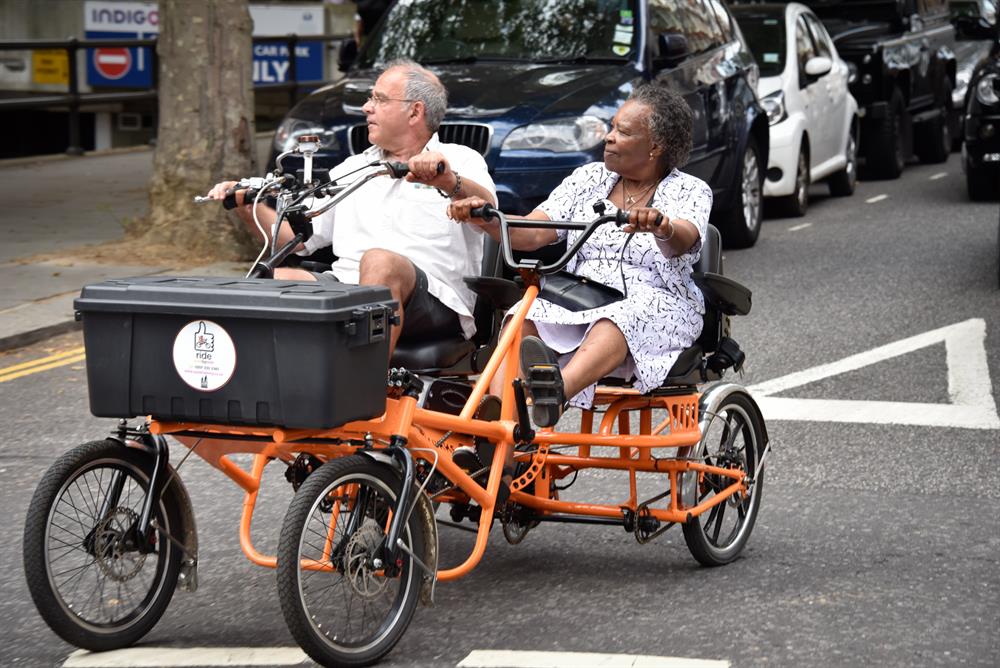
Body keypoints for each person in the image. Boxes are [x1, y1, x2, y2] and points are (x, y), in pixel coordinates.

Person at [447, 84, 711, 428]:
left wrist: (662, 226)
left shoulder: (690, 189)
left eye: (623, 132)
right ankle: (496, 435)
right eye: (612, 127)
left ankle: (556, 394)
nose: (609, 138)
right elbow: (531, 232)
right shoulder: (587, 178)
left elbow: (686, 238)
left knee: (619, 318)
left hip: (657, 301)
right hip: (581, 295)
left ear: (655, 147)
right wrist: (483, 219)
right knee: (520, 318)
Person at [206, 60, 498, 355]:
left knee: (380, 262)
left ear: (415, 111)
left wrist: (448, 180)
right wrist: (246, 205)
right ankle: (277, 395)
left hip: (435, 301)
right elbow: (292, 239)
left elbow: (489, 212)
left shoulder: (460, 159)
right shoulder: (353, 168)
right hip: (347, 288)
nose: (366, 107)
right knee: (267, 283)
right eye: (371, 98)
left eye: (379, 99)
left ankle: (359, 397)